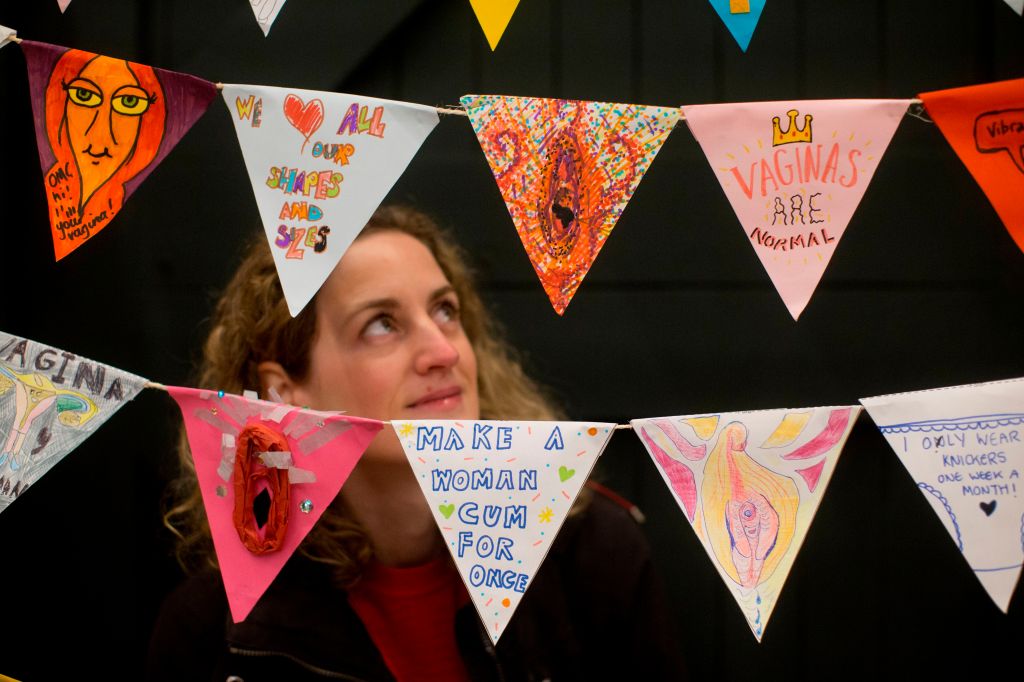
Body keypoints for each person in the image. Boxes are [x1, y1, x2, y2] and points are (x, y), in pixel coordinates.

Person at [146, 205, 686, 681]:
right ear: (285, 392)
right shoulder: (213, 632)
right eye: (381, 324)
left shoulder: (591, 555)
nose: (442, 351)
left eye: (445, 311)